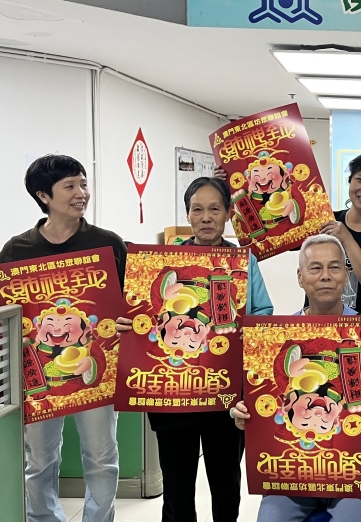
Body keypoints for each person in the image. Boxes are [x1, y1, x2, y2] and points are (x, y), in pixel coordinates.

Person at [116, 177, 273, 522]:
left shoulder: (242, 261)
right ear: (187, 214)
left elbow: (263, 312)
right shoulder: (162, 262)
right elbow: (140, 313)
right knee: (176, 484)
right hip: (171, 391)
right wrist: (128, 324)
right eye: (197, 209)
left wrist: (245, 329)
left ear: (228, 213)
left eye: (214, 209)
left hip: (224, 389)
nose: (206, 217)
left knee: (225, 480)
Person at [0, 154, 127, 522]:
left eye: (83, 184)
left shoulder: (108, 243)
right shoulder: (17, 250)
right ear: (43, 195)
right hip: (38, 375)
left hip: (95, 369)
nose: (81, 193)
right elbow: (7, 312)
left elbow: (131, 302)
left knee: (102, 457)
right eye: (70, 186)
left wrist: (124, 321)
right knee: (39, 459)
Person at [231, 234, 361, 521]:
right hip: (290, 472)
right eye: (315, 268)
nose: (325, 276)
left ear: (346, 275)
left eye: (334, 267)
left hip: (352, 471)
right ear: (300, 277)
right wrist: (245, 414)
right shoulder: (277, 339)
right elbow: (259, 401)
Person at [216, 151, 361, 312]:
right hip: (315, 322)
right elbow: (277, 237)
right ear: (350, 182)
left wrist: (347, 239)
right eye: (360, 180)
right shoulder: (324, 219)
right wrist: (227, 188)